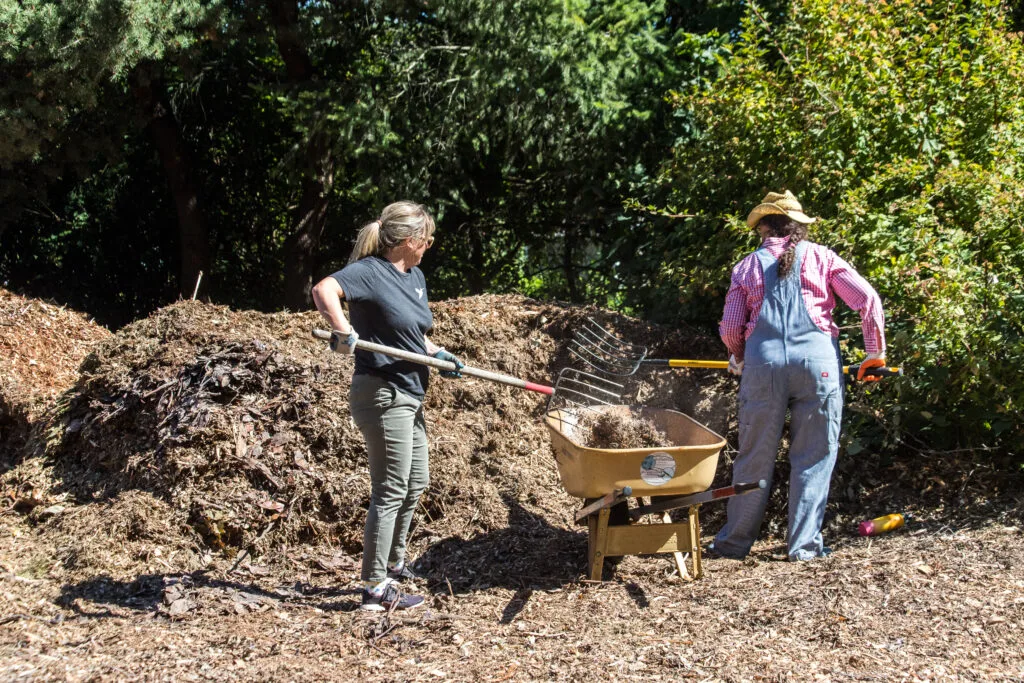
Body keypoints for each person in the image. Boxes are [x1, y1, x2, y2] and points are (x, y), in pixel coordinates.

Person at [710, 190, 887, 562]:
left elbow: (729, 326)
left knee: (754, 456)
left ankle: (733, 545)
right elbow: (867, 299)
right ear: (799, 227)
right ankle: (803, 547)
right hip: (818, 367)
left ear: (762, 229)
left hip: (763, 367)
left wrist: (738, 356)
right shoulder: (823, 257)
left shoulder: (746, 267)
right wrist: (874, 354)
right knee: (814, 456)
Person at [311, 201, 464, 611]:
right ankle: (375, 588)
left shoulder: (415, 277)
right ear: (410, 240)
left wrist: (441, 354)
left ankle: (395, 565)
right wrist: (343, 331)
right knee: (391, 489)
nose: (429, 247)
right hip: (381, 392)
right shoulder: (370, 271)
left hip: (411, 392)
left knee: (417, 483)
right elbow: (324, 289)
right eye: (427, 240)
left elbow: (414, 336)